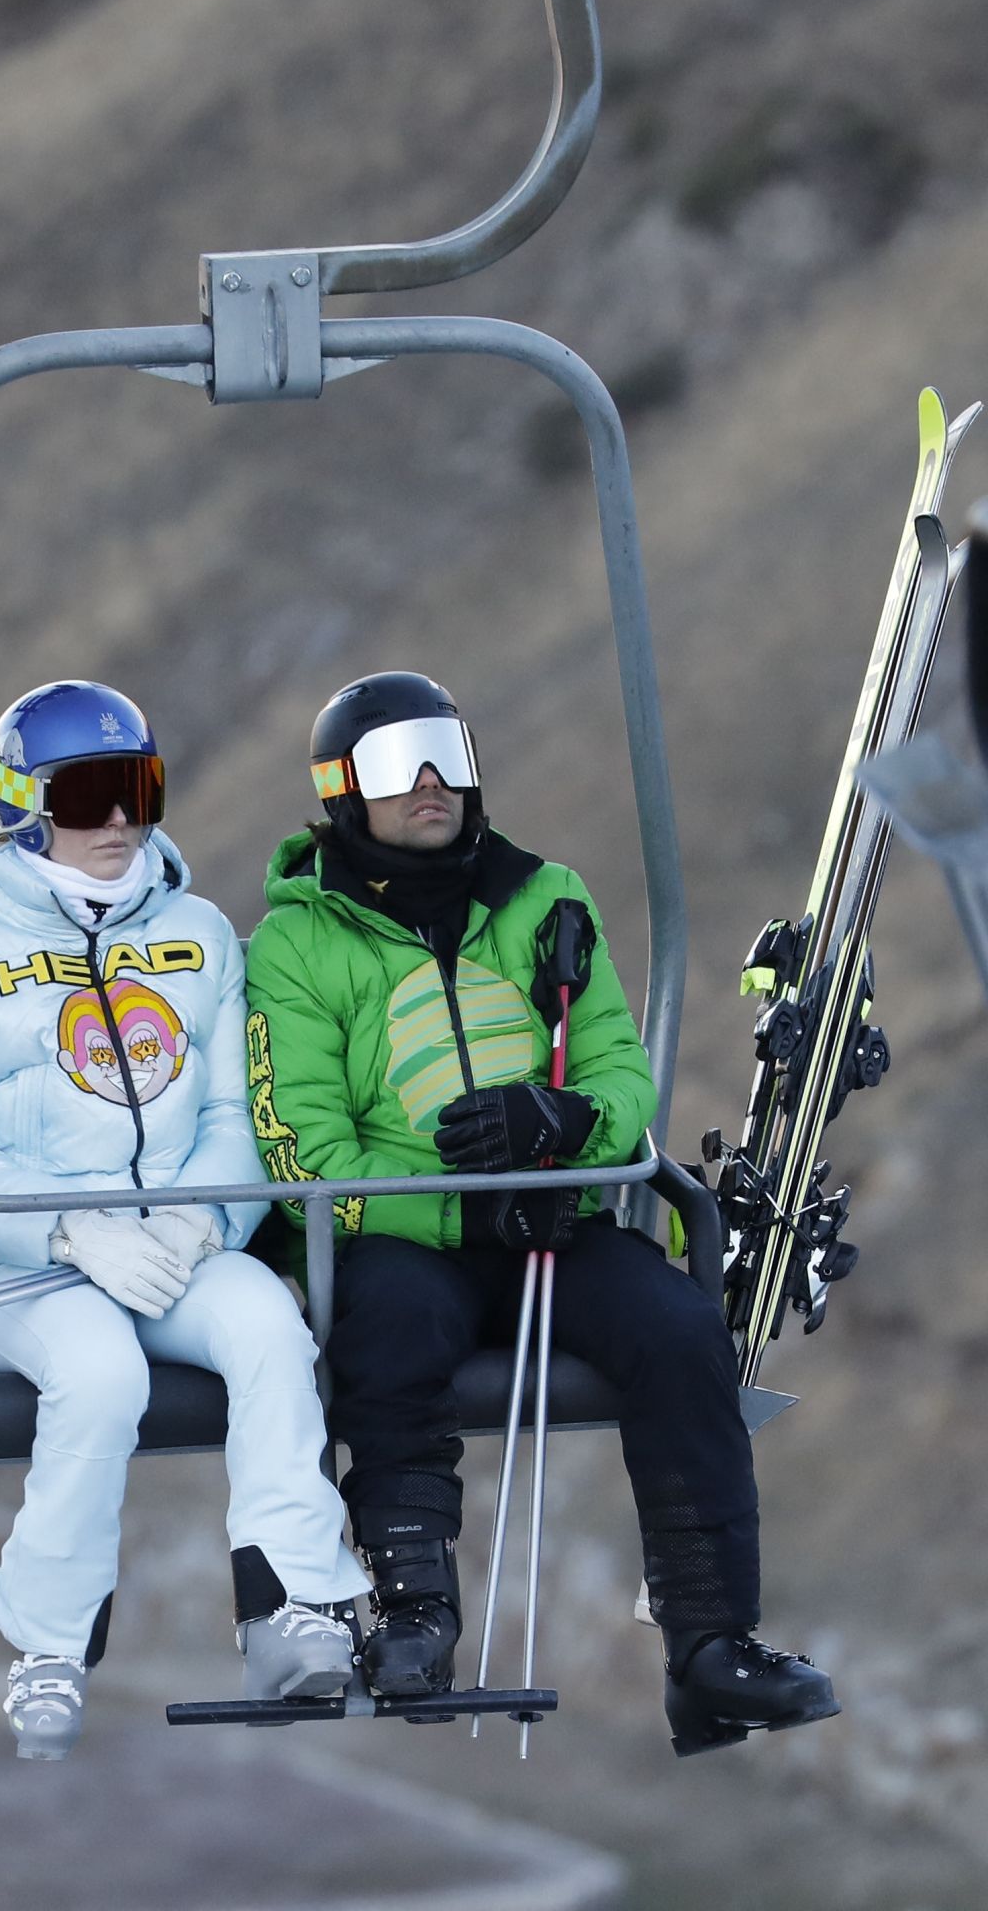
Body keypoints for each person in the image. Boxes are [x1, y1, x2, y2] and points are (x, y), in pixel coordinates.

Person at [244, 670, 839, 1757]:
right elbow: (304, 1153)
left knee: (675, 1332)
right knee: (389, 1335)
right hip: (398, 1238)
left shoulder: (542, 896)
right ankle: (415, 1614)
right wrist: (461, 1212)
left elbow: (617, 1076)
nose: (429, 782)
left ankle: (710, 1646)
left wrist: (559, 1124)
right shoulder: (296, 943)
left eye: (445, 754)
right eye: (394, 765)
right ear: (340, 794)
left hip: (551, 1223)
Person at [0, 679, 367, 1760]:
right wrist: (64, 1230)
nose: (116, 822)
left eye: (137, 789)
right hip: (19, 1272)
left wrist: (202, 1225)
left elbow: (243, 1111)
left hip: (170, 1247)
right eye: (87, 794)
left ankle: (292, 1607)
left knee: (270, 1333)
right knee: (99, 1373)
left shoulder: (196, 937)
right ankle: (49, 1647)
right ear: (23, 804)